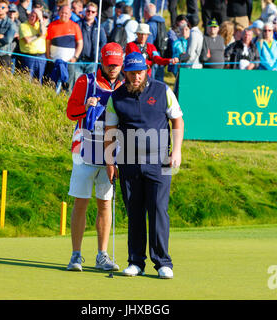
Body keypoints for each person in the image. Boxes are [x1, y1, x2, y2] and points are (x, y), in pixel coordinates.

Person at [104, 51, 184, 279]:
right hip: (128, 161)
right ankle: (136, 261)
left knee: (159, 210)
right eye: (131, 73)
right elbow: (109, 131)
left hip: (161, 160)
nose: (135, 77)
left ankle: (163, 263)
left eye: (139, 72)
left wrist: (176, 151)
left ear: (146, 71)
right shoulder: (116, 97)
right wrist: (110, 162)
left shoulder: (162, 91)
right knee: (135, 211)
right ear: (125, 72)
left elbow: (177, 119)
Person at [65, 42, 124, 273]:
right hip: (84, 149)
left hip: (111, 150)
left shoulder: (125, 85)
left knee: (105, 203)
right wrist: (86, 106)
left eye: (117, 65)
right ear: (102, 61)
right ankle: (75, 255)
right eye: (109, 64)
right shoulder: (86, 81)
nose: (113, 69)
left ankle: (102, 255)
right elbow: (71, 112)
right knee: (81, 201)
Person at [45, 4, 83, 91]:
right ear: (59, 13)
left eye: (66, 13)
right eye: (62, 13)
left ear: (70, 15)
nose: (64, 15)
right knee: (51, 85)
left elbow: (80, 43)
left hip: (69, 62)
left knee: (67, 87)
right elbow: (47, 42)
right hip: (54, 61)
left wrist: (75, 57)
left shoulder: (75, 26)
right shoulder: (52, 25)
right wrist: (48, 56)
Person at [76, 1, 107, 78]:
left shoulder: (99, 27)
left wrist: (99, 55)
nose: (90, 13)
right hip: (79, 60)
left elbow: (103, 42)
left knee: (90, 83)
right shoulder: (78, 24)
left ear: (96, 13)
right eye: (88, 11)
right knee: (77, 82)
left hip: (92, 61)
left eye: (93, 12)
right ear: (85, 11)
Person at [19, 9, 47, 82]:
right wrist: (38, 35)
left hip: (41, 57)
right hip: (28, 57)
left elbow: (43, 32)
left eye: (35, 16)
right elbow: (27, 40)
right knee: (26, 80)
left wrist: (41, 19)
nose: (32, 18)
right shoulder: (23, 25)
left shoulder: (40, 25)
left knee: (38, 81)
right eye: (31, 15)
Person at [144, 3, 166, 81]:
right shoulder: (161, 22)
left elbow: (148, 43)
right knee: (160, 79)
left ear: (146, 12)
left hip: (153, 56)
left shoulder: (150, 25)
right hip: (161, 53)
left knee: (152, 80)